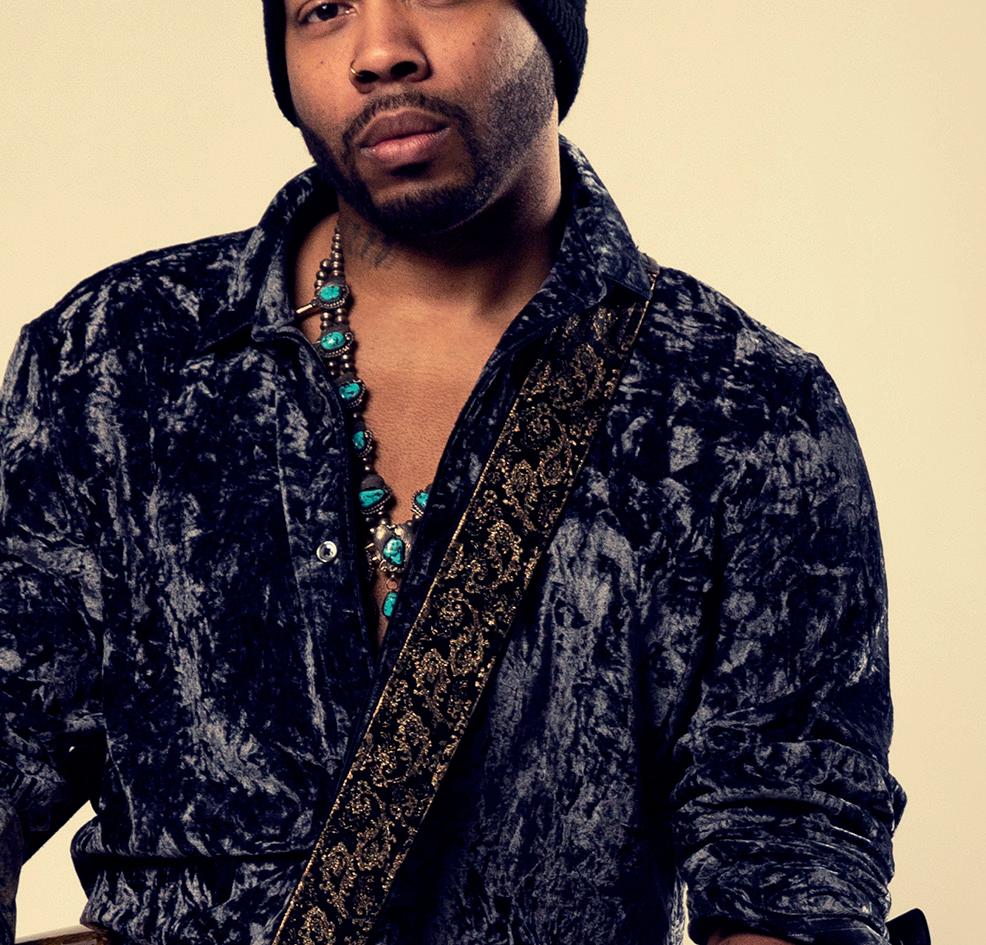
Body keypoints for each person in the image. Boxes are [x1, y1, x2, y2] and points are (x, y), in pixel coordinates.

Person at [0, 2, 908, 944]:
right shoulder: (113, 359)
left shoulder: (743, 408)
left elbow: (789, 860)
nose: (379, 52)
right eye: (323, 10)